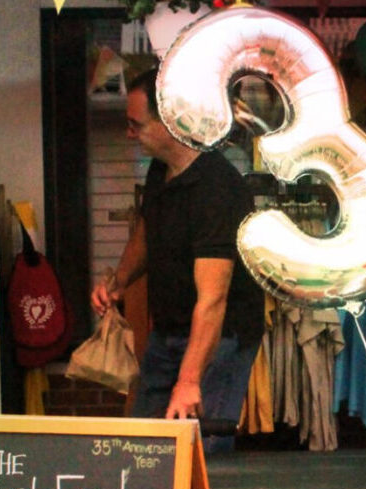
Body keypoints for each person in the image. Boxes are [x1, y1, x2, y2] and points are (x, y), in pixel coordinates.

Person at [90, 67, 263, 451]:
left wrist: (188, 382)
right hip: (169, 331)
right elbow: (148, 229)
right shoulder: (160, 171)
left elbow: (213, 300)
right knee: (145, 448)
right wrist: (120, 280)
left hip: (221, 339)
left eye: (136, 125)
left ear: (170, 121)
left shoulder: (216, 190)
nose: (128, 134)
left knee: (199, 454)